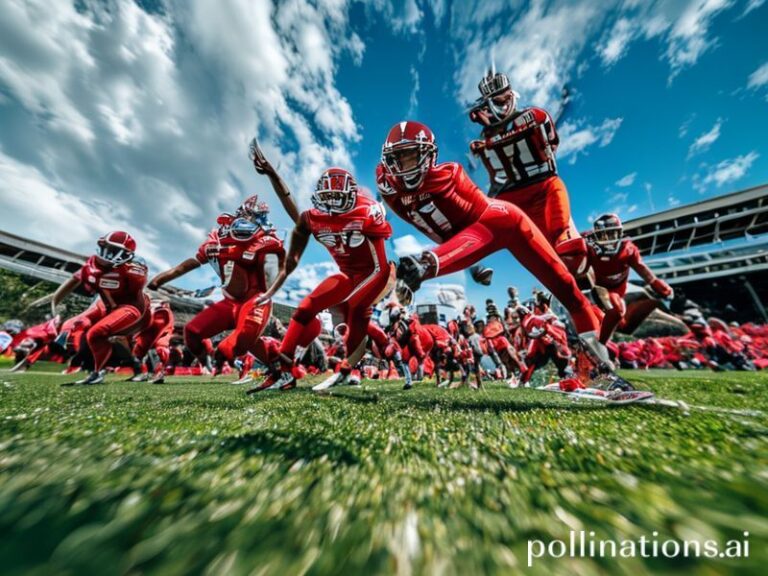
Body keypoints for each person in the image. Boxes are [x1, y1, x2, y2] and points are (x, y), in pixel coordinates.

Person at [376, 120, 616, 378]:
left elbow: (485, 224)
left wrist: (432, 263)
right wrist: (462, 262)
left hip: (505, 221)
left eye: (412, 156)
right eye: (398, 158)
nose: (405, 165)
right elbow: (435, 228)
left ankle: (599, 367)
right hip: (468, 239)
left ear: (429, 155)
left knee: (567, 288)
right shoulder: (386, 185)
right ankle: (591, 368)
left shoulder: (450, 175)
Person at [250, 167, 395, 392]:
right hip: (347, 275)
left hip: (374, 272)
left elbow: (380, 266)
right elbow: (294, 210)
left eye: (337, 197)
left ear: (351, 196)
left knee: (354, 311)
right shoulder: (314, 218)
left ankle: (355, 366)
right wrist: (273, 175)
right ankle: (285, 371)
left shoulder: (366, 212)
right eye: (327, 198)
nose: (332, 205)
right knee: (306, 307)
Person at [468, 70, 588, 278]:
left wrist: (490, 142)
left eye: (506, 97)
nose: (505, 103)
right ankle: (473, 266)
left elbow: (541, 137)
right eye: (498, 100)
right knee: (473, 226)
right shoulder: (483, 138)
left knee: (567, 245)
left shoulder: (533, 116)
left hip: (543, 185)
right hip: (510, 197)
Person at [148, 196, 284, 371]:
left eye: (259, 218)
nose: (256, 222)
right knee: (192, 332)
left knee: (234, 344)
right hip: (230, 303)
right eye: (252, 216)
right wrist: (159, 280)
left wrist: (238, 251)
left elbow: (274, 269)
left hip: (254, 299)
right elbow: (189, 264)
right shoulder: (218, 239)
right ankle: (208, 364)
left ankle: (278, 360)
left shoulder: (267, 240)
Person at [52, 231, 150, 385]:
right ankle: (93, 368)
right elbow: (74, 279)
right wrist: (54, 301)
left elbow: (134, 288)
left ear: (127, 254)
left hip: (129, 307)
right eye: (107, 248)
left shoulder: (133, 268)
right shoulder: (93, 264)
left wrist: (110, 273)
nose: (107, 253)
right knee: (82, 328)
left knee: (103, 334)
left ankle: (117, 369)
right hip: (105, 304)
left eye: (113, 250)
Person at [584, 213, 673, 344]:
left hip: (617, 290)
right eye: (604, 235)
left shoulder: (628, 249)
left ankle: (600, 342)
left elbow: (641, 267)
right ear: (596, 235)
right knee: (614, 309)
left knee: (617, 311)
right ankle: (599, 343)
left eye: (612, 234)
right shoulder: (587, 244)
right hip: (596, 288)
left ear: (620, 233)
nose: (609, 239)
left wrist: (655, 283)